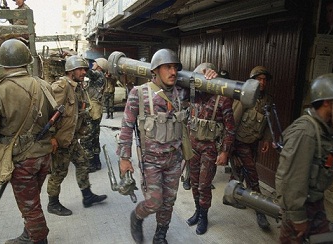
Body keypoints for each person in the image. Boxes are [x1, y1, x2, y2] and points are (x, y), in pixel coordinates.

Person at [117, 49, 216, 244]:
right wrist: (124, 158)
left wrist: (208, 77)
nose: (173, 72)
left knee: (168, 202)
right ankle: (136, 217)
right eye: (167, 67)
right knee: (154, 202)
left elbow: (206, 96)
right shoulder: (139, 93)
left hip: (174, 160)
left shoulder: (181, 93)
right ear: (155, 70)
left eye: (175, 68)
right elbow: (127, 126)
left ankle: (160, 235)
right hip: (151, 161)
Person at [0, 39, 53, 243]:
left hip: (21, 159)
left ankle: (39, 238)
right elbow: (55, 117)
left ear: (2, 62)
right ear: (26, 61)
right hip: (43, 155)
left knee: (30, 206)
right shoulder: (43, 84)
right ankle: (29, 234)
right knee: (31, 200)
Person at [276, 73, 333, 243]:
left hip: (314, 204)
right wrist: (298, 218)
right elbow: (291, 179)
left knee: (325, 240)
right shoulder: (306, 132)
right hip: (301, 209)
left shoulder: (322, 129)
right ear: (327, 102)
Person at [46, 55, 107, 216]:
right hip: (60, 140)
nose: (83, 72)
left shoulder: (78, 88)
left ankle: (87, 196)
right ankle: (53, 203)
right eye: (79, 69)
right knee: (58, 173)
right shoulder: (61, 87)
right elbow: (48, 113)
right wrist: (51, 137)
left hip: (71, 138)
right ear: (70, 71)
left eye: (85, 69)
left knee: (83, 163)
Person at [186, 63, 235, 235]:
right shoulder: (193, 94)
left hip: (210, 148)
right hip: (192, 146)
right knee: (193, 182)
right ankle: (197, 211)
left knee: (204, 185)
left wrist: (225, 152)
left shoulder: (223, 98)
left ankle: (203, 216)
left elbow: (230, 128)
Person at [225, 66, 273, 230]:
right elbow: (234, 120)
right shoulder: (245, 96)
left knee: (239, 170)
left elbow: (267, 122)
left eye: (264, 80)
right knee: (253, 176)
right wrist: (228, 145)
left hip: (253, 142)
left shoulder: (267, 100)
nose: (262, 82)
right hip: (240, 142)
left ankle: (229, 196)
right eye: (259, 79)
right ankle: (261, 210)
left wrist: (266, 139)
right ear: (252, 81)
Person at [80, 58, 108, 172]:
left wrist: (75, 58)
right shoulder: (100, 77)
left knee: (86, 138)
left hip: (92, 111)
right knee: (95, 137)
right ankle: (97, 162)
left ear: (100, 66)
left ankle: (90, 164)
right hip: (96, 110)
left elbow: (88, 72)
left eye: (95, 63)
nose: (93, 64)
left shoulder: (98, 75)